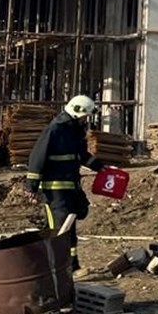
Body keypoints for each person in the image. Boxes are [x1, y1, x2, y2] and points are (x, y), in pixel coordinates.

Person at [25, 95, 104, 273]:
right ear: (76, 113)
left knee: (69, 229)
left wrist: (101, 168)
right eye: (85, 116)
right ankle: (58, 268)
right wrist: (31, 185)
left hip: (71, 188)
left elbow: (81, 155)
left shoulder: (74, 131)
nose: (86, 120)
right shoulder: (55, 129)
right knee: (59, 230)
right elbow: (37, 158)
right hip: (55, 192)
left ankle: (72, 267)